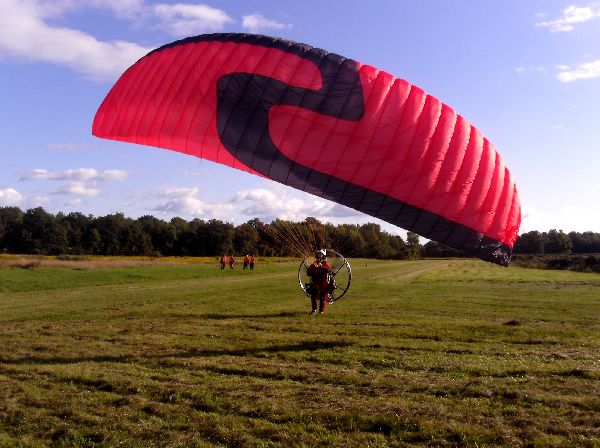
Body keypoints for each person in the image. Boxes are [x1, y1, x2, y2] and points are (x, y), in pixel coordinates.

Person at [306, 249, 332, 314]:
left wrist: (322, 267)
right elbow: (308, 272)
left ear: (323, 256)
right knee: (313, 296)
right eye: (318, 254)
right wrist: (315, 270)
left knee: (322, 297)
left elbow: (329, 271)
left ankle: (321, 311)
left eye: (321, 255)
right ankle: (314, 309)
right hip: (316, 283)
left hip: (324, 283)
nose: (320, 256)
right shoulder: (314, 265)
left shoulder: (326, 264)